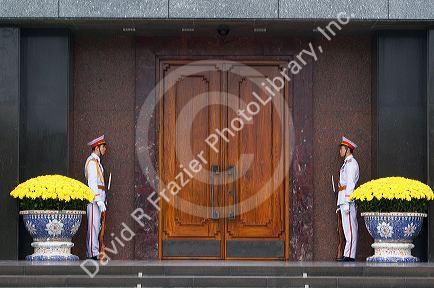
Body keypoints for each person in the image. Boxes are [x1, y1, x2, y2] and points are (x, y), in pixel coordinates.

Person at [85, 135, 107, 260]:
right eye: (103, 147)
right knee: (93, 226)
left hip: (99, 199)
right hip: (94, 200)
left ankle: (94, 251)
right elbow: (92, 183)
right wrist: (98, 200)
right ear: (97, 147)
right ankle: (92, 253)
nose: (105, 149)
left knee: (97, 226)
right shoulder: (92, 162)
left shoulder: (98, 163)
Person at [337, 136, 359, 262]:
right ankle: (347, 253)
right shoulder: (346, 164)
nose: (340, 151)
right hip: (343, 199)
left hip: (347, 200)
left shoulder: (351, 164)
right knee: (347, 228)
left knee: (350, 228)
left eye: (342, 149)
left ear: (348, 150)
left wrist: (347, 201)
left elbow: (350, 184)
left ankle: (350, 255)